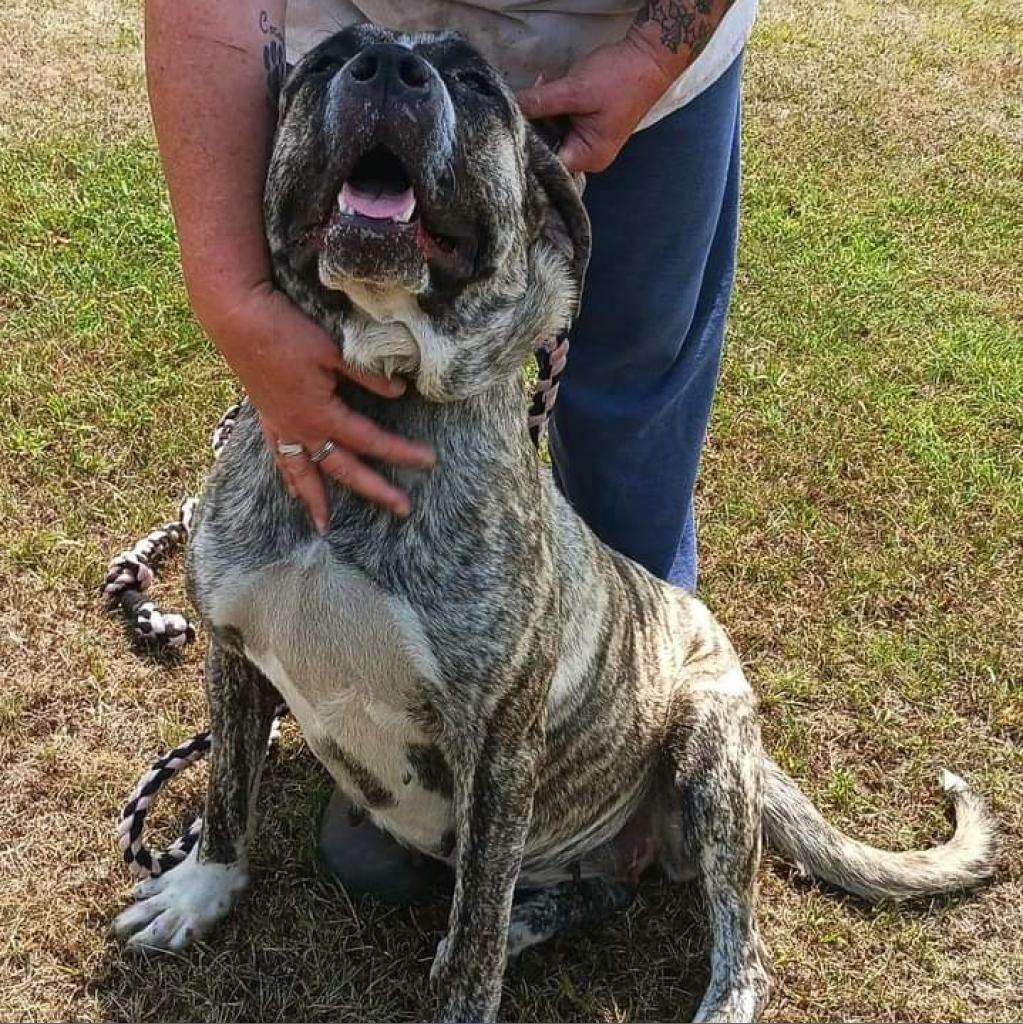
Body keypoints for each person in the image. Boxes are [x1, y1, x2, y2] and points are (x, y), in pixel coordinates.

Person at [145, 0, 756, 900]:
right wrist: (234, 297)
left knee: (629, 415)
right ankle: (404, 737)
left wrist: (646, 58)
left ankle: (606, 775)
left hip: (643, 53)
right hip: (360, 15)